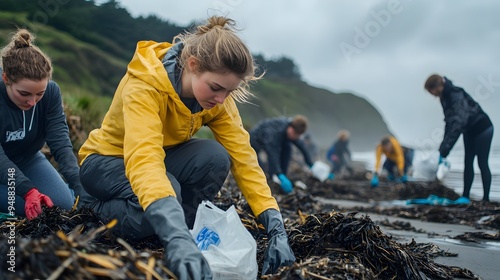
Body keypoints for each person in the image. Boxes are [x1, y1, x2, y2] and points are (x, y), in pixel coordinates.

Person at [78, 16, 295, 278]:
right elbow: (144, 159)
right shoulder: (144, 86)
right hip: (105, 162)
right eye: (216, 88)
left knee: (215, 157)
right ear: (193, 65)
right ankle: (93, 206)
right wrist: (176, 238)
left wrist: (276, 229)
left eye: (229, 91)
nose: (221, 100)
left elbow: (245, 161)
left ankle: (181, 228)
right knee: (165, 199)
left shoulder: (218, 101)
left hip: (158, 160)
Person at [0, 29, 86, 220]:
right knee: (31, 208)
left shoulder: (52, 93)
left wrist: (79, 186)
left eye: (39, 94)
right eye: (24, 94)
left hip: (26, 159)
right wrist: (28, 191)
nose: (32, 103)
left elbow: (60, 143)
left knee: (62, 204)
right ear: (6, 79)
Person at [425, 74, 494, 203]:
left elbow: (458, 122)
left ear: (438, 87)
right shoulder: (444, 98)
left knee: (482, 163)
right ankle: (465, 196)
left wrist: (446, 149)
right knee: (468, 162)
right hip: (468, 130)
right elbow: (449, 123)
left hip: (483, 128)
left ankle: (486, 199)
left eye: (431, 91)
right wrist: (442, 148)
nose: (432, 95)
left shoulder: (456, 95)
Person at [249, 115, 314, 193]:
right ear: (292, 130)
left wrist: (311, 165)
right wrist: (279, 173)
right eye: (296, 135)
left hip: (271, 143)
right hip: (254, 142)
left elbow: (302, 146)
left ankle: (281, 177)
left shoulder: (290, 130)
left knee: (287, 147)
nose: (297, 138)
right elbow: (273, 154)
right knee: (259, 169)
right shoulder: (275, 132)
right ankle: (270, 183)